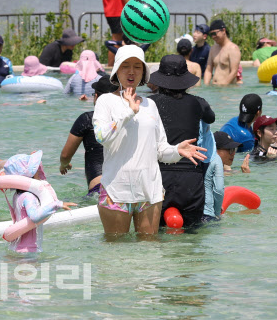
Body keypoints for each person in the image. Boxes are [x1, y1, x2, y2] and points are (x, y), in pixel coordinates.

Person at [92, 46, 206, 236]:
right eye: (125, 66)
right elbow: (101, 137)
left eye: (137, 67)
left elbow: (160, 149)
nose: (131, 71)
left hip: (150, 190)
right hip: (116, 190)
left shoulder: (150, 104)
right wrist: (128, 112)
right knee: (115, 255)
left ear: (144, 72)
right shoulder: (105, 101)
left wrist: (177, 150)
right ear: (116, 70)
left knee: (150, 254)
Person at [148, 55, 215, 227]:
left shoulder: (149, 104)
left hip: (159, 177)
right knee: (192, 237)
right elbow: (211, 118)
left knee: (157, 234)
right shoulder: (198, 103)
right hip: (191, 180)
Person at [1, 151, 76, 253]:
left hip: (17, 248)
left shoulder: (17, 196)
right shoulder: (29, 197)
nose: (38, 170)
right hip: (28, 251)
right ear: (29, 175)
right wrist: (58, 204)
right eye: (35, 168)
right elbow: (35, 216)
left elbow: (41, 183)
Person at [60, 75, 118, 194]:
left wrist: (64, 164)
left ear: (96, 96)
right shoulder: (128, 120)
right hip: (127, 185)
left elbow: (66, 155)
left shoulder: (87, 119)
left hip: (99, 188)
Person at [204, 19, 241, 86]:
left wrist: (223, 86)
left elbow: (234, 72)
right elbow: (208, 71)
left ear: (223, 30)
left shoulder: (233, 48)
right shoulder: (213, 49)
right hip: (215, 88)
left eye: (214, 33)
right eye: (211, 34)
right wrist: (206, 86)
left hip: (227, 90)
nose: (213, 37)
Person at [202, 131, 226, 223]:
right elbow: (219, 189)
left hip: (186, 208)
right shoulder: (215, 158)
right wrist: (216, 214)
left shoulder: (187, 153)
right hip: (206, 211)